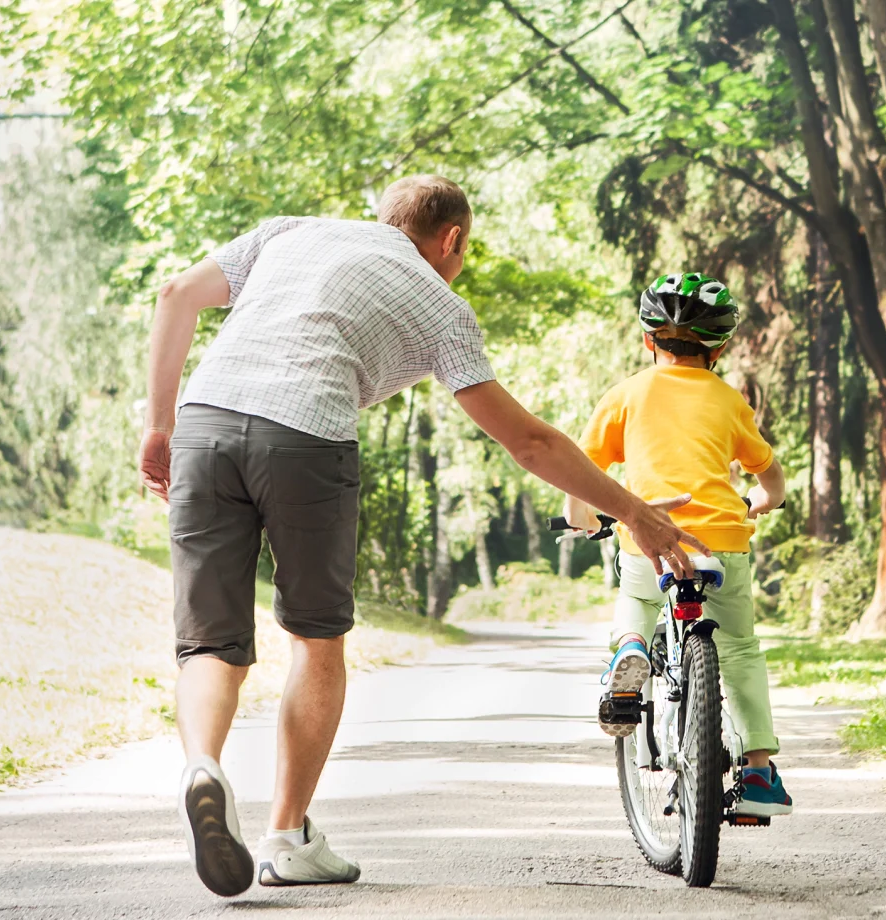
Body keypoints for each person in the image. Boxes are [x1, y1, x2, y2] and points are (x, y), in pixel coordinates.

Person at [138, 175, 709, 897]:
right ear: (452, 240)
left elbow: (175, 295)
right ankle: (286, 838)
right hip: (307, 437)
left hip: (205, 424)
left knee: (210, 645)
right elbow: (529, 442)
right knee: (316, 641)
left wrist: (158, 426)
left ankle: (202, 766)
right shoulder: (439, 302)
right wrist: (634, 510)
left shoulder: (290, 230)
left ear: (386, 218)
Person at [561, 272, 793, 818]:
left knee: (638, 597)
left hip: (649, 539)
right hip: (721, 544)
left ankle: (631, 649)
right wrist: (763, 500)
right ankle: (758, 773)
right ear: (720, 348)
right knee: (739, 649)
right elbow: (769, 473)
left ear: (648, 339)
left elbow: (582, 470)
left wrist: (581, 518)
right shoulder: (730, 400)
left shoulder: (626, 394)